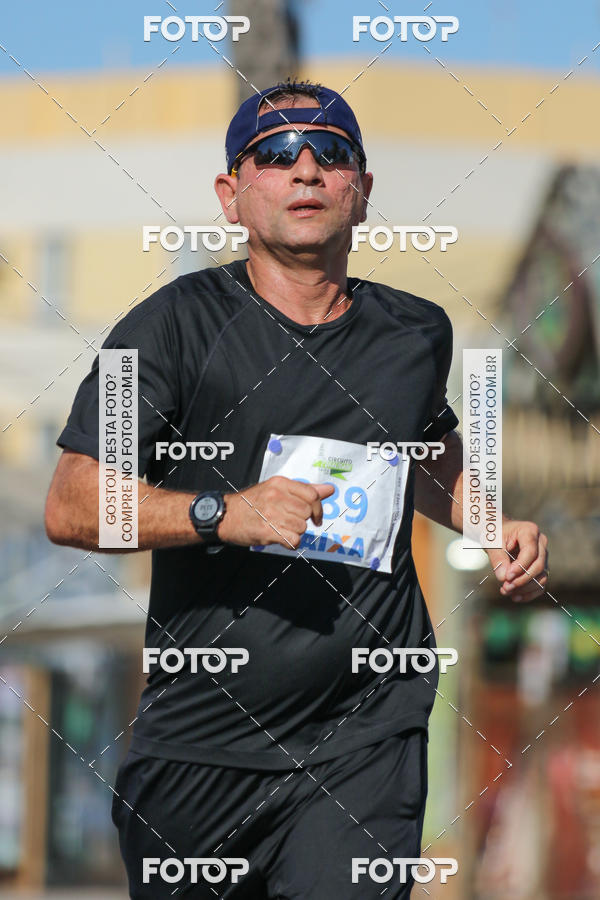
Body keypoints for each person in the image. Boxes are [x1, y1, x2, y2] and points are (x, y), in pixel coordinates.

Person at [45, 79, 549, 898]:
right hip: (202, 748)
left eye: (332, 153)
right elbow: (71, 502)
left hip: (367, 729)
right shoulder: (166, 327)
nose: (306, 170)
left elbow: (423, 449)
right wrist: (223, 513)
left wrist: (491, 523)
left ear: (363, 190)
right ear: (232, 195)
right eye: (277, 154)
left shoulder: (415, 333)